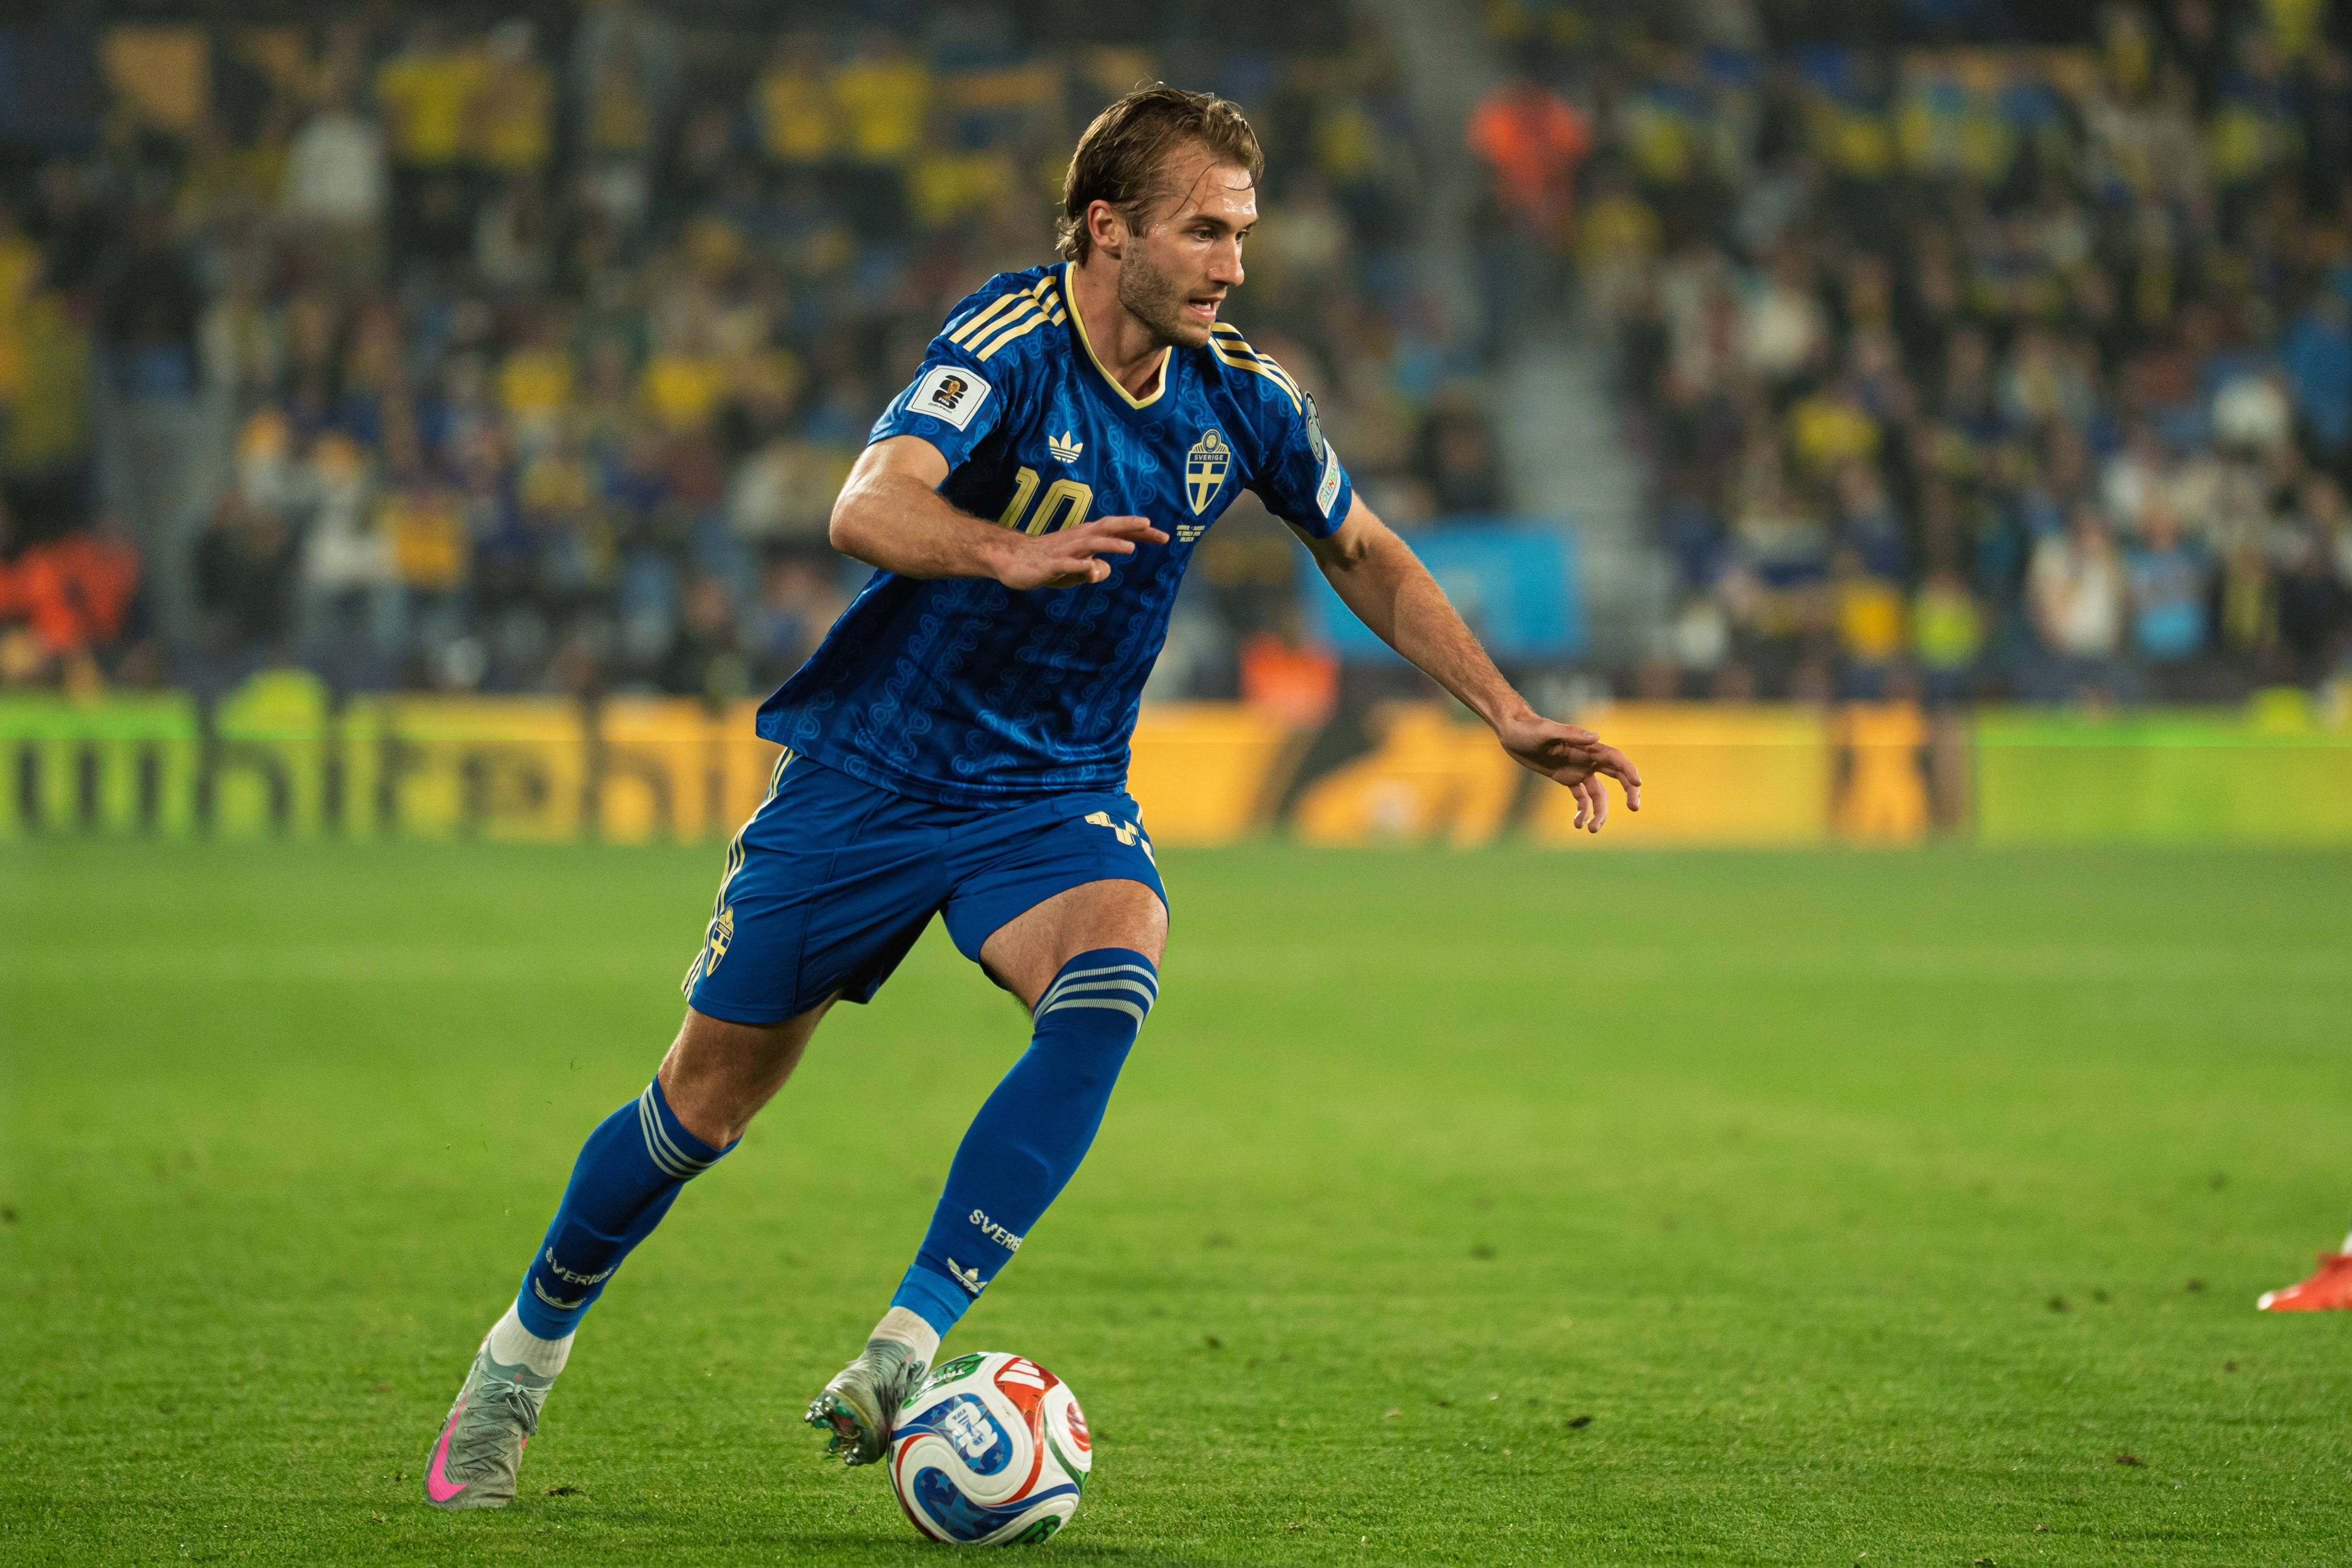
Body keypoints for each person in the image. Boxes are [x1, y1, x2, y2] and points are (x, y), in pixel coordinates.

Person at [420, 85, 1641, 1510]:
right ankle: (518, 1363)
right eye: (1205, 230)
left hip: (1048, 790)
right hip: (869, 777)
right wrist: (999, 553)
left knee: (1119, 960)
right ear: (1108, 229)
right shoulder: (1004, 344)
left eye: (1244, 232)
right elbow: (866, 504)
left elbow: (1359, 546)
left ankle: (906, 1338)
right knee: (704, 1105)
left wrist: (1502, 708)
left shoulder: (1242, 393)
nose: (1234, 262)